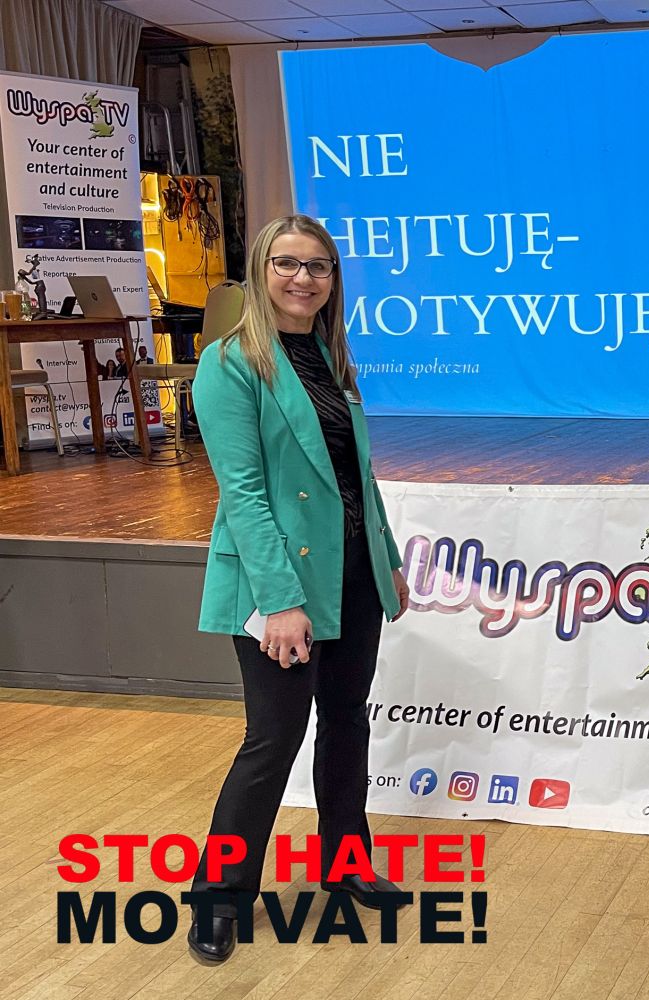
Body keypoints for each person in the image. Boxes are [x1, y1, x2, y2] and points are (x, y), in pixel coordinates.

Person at [186, 215, 412, 964]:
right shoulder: (228, 363)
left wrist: (386, 559)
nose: (302, 278)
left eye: (317, 266)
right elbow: (244, 494)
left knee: (346, 722)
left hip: (351, 574)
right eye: (286, 263)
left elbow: (357, 477)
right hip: (278, 585)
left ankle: (346, 866)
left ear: (332, 280)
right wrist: (281, 602)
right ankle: (218, 896)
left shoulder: (331, 358)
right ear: (261, 270)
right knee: (272, 740)